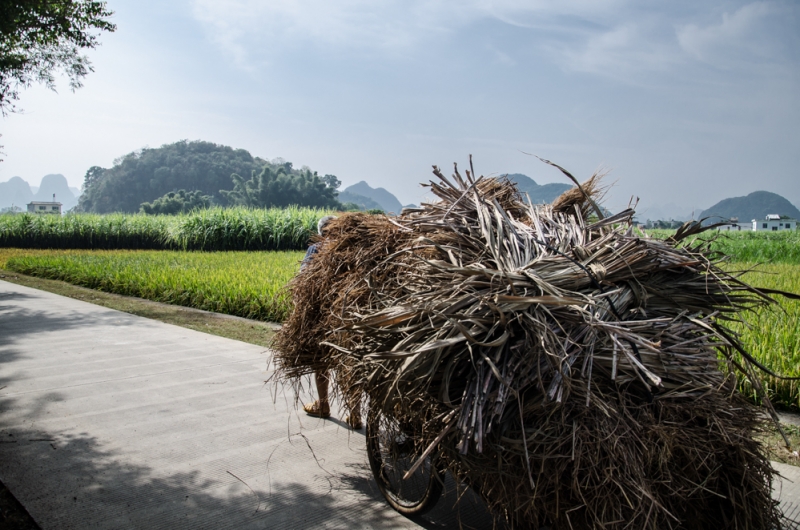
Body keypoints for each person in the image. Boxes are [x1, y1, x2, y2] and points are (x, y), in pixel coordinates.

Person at [301, 215, 362, 430]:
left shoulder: (316, 249)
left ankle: (323, 405)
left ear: (320, 233)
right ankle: (355, 414)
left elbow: (303, 282)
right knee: (351, 361)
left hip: (322, 315)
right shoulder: (355, 250)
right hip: (352, 315)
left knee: (321, 360)